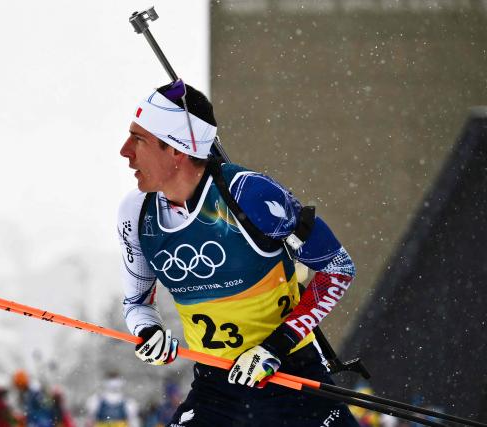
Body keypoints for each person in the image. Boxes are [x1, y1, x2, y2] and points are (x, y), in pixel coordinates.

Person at [117, 80, 360, 426]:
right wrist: (149, 333)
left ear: (176, 149)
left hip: (290, 376)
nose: (125, 151)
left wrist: (275, 347)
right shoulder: (136, 214)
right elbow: (136, 304)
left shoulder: (248, 194)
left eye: (138, 139)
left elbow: (337, 268)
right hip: (217, 387)